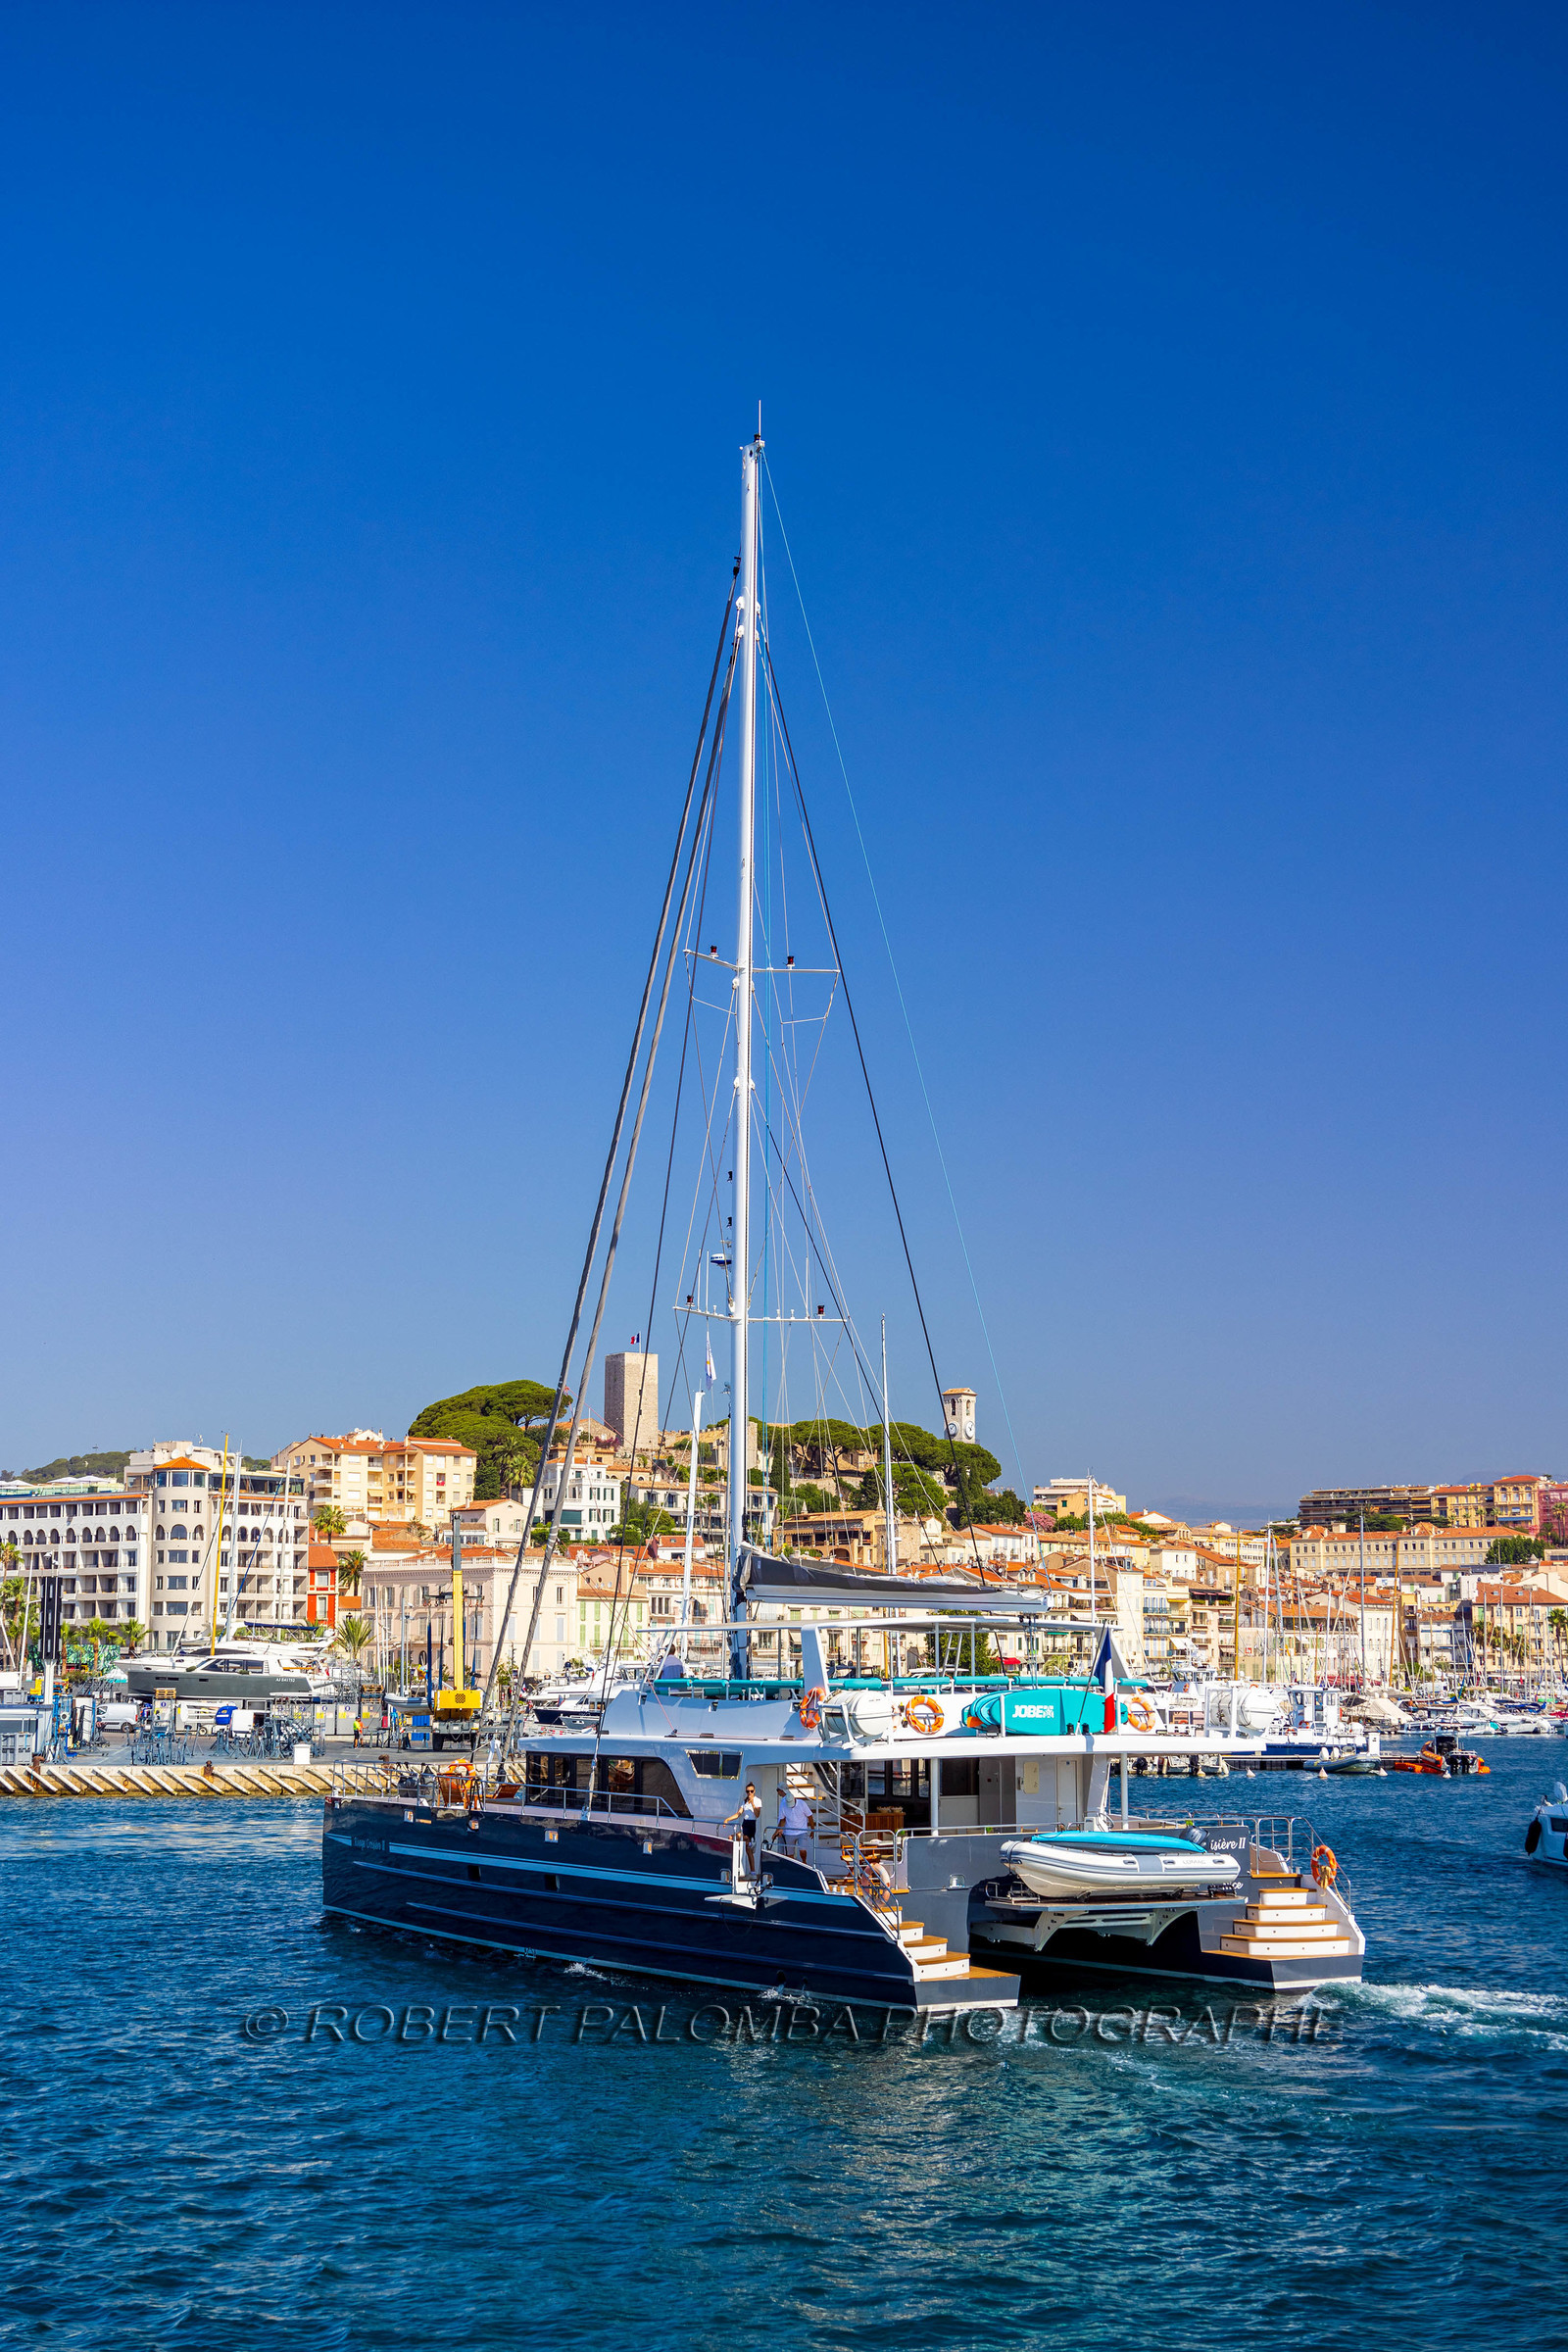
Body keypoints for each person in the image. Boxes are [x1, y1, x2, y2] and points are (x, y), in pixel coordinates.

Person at [723, 1781, 762, 1871]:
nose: (749, 1793)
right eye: (748, 1791)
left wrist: (752, 1804)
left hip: (751, 1825)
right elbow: (738, 1814)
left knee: (733, 1838)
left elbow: (757, 1815)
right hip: (745, 1824)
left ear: (754, 1791)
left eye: (751, 1791)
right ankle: (750, 1870)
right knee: (747, 1850)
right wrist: (727, 1819)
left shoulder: (758, 1801)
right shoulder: (744, 1801)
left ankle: (750, 1869)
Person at [778, 1786, 813, 1859]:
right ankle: (792, 1868)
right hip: (789, 1832)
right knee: (789, 1855)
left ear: (794, 1799)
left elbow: (810, 1816)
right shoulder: (783, 1804)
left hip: (802, 1831)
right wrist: (779, 1830)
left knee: (802, 1851)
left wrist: (812, 1829)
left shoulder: (802, 1803)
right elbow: (782, 1819)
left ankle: (804, 1862)